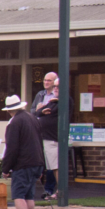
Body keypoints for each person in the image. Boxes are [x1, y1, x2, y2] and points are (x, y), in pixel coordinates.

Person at [0, 94, 46, 209]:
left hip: (23, 164)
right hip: (36, 162)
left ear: (9, 110)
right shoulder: (33, 118)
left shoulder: (14, 123)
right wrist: (42, 165)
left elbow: (11, 148)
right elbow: (40, 142)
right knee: (29, 195)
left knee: (19, 194)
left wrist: (5, 168)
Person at [31, 71, 66, 200]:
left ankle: (53, 190)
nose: (46, 83)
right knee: (48, 164)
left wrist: (42, 109)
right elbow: (34, 111)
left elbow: (51, 112)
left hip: (53, 137)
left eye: (49, 81)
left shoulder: (59, 99)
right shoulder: (40, 95)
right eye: (45, 80)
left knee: (54, 166)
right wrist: (39, 110)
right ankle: (50, 190)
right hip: (41, 134)